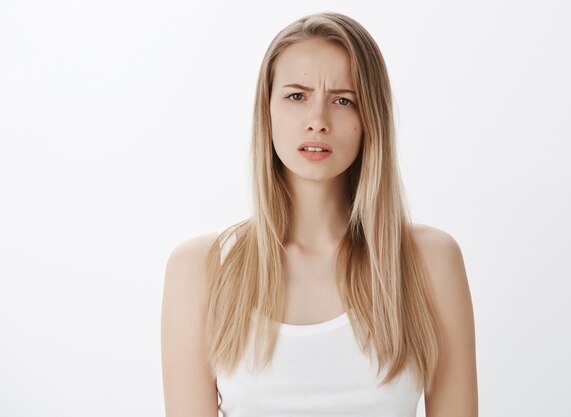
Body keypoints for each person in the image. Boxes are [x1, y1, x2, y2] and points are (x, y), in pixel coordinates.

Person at [161, 11, 478, 417]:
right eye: (297, 96)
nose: (318, 122)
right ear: (267, 112)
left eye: (343, 100)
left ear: (369, 120)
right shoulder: (201, 269)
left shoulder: (429, 261)